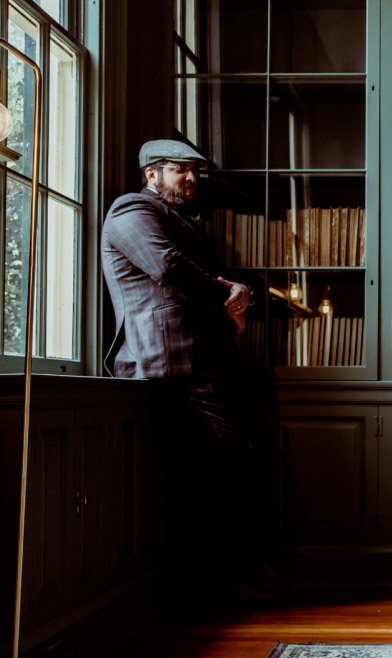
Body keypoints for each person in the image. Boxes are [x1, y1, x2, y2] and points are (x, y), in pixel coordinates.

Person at [101, 138, 279, 602]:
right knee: (223, 467)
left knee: (225, 468)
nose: (191, 179)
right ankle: (227, 579)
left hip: (201, 363)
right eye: (180, 169)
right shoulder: (131, 209)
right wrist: (228, 297)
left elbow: (212, 276)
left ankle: (233, 574)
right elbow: (168, 266)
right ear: (151, 174)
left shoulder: (182, 221)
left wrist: (241, 294)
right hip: (169, 363)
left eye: (194, 172)